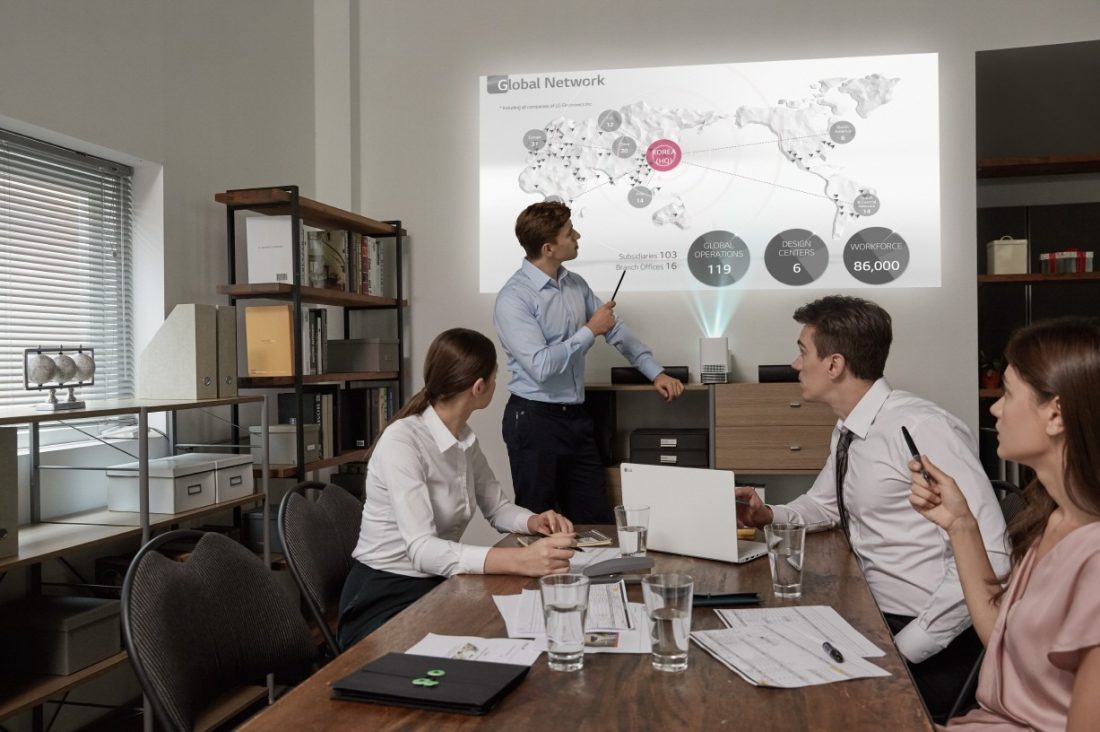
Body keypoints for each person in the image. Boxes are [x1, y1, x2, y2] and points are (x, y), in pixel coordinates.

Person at [736, 295, 1009, 722]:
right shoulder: (851, 427)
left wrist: (906, 649)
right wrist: (770, 515)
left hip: (929, 641)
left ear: (834, 364)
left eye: (802, 351)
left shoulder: (921, 428)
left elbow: (993, 556)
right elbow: (824, 503)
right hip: (871, 616)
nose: (793, 364)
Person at [909, 318, 1100, 731]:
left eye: (1008, 394)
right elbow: (1002, 633)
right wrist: (960, 523)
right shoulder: (1053, 520)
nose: (994, 408)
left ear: (1056, 414)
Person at [338, 327, 577, 649]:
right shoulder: (403, 441)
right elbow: (422, 550)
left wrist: (534, 521)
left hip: (436, 586)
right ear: (479, 387)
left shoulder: (464, 438)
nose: (497, 384)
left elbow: (497, 508)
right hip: (383, 597)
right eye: (495, 377)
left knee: (509, 637)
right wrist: (519, 561)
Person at [494, 201, 685, 522]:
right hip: (534, 420)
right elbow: (541, 366)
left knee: (595, 520)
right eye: (570, 233)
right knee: (538, 521)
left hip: (577, 419)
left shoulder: (575, 284)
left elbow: (615, 329)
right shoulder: (514, 298)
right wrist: (589, 330)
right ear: (548, 247)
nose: (578, 236)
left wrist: (656, 373)